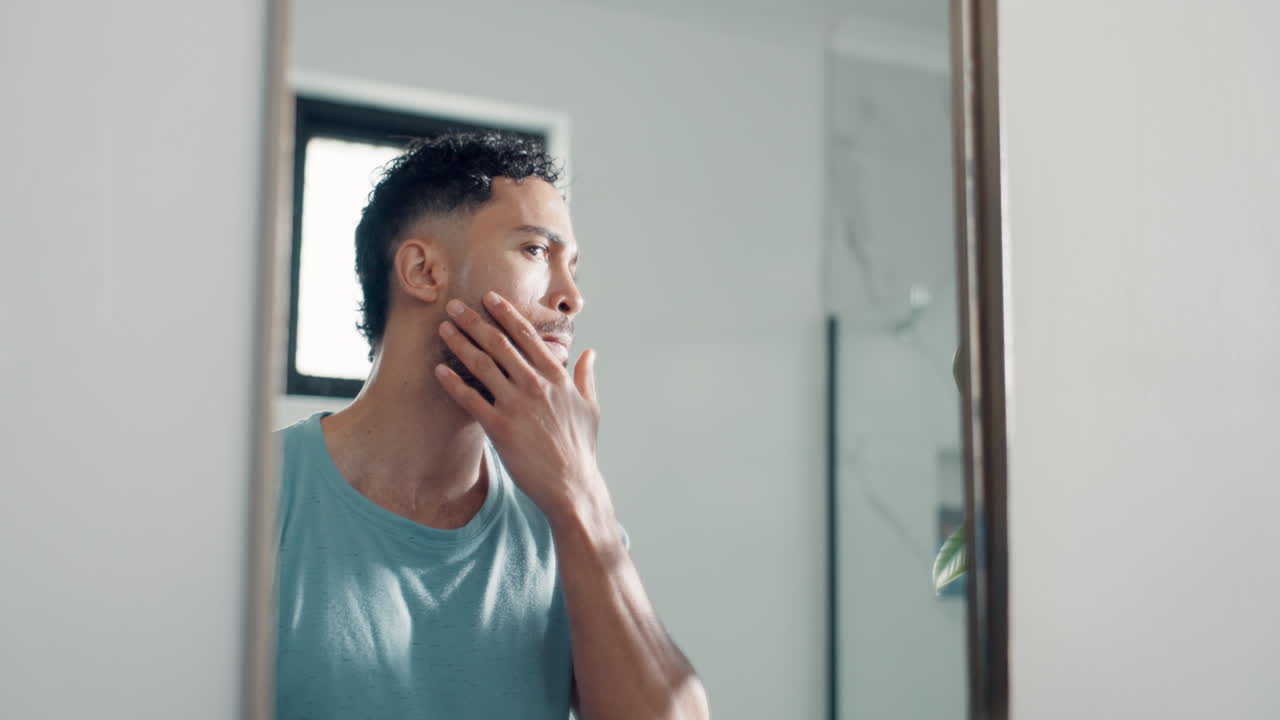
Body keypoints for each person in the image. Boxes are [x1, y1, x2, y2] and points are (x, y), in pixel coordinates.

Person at [274, 131, 709, 720]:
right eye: (535, 251)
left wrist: (584, 498)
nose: (572, 297)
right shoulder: (259, 494)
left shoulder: (567, 515)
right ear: (423, 271)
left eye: (573, 266)